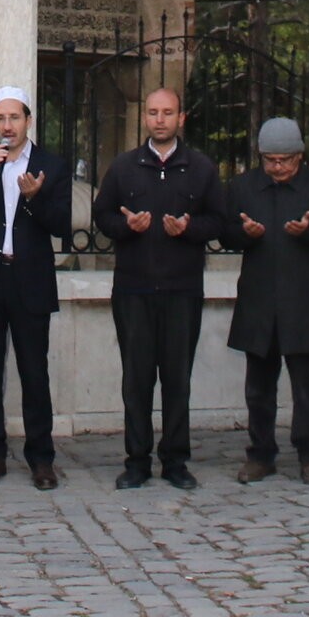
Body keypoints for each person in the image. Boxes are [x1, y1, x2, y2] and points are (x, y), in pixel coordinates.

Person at [99, 88, 227, 490]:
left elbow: (219, 222)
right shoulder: (124, 167)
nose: (159, 119)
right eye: (153, 112)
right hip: (134, 289)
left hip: (181, 288)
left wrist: (190, 229)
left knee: (177, 379)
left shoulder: (201, 168)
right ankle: (136, 461)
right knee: (136, 380)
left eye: (167, 113)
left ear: (181, 118)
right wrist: (126, 227)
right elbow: (102, 215)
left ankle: (175, 460)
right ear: (146, 119)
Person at [0, 88, 71, 489]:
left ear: (28, 121)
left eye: (14, 118)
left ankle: (41, 459)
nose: (7, 126)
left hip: (29, 281)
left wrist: (34, 199)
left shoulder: (51, 166)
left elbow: (61, 224)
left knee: (34, 373)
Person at [226, 115, 309, 485]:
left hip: (303, 300)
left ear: (300, 156)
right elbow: (225, 234)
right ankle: (260, 454)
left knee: (307, 387)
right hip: (258, 301)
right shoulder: (243, 188)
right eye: (270, 160)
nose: (277, 168)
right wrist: (245, 234)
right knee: (258, 388)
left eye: (284, 161)